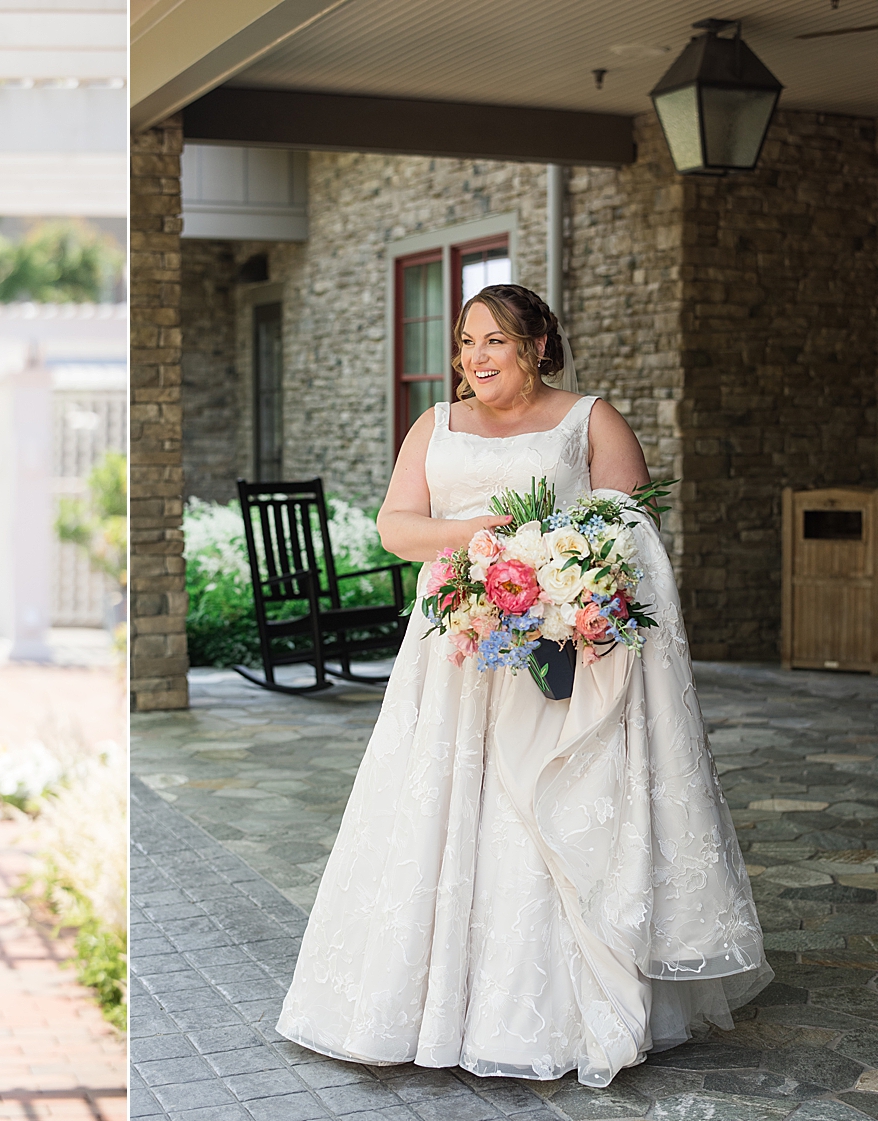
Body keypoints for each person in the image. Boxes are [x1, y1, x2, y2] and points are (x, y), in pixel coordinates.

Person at [276, 284, 769, 1087]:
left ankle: (556, 1010)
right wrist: (479, 539)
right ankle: (433, 1003)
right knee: (444, 814)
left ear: (540, 344)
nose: (476, 356)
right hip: (457, 652)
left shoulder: (590, 419)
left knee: (542, 813)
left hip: (562, 658)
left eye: (496, 340)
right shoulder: (434, 425)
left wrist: (553, 577)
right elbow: (396, 525)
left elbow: (632, 533)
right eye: (467, 341)